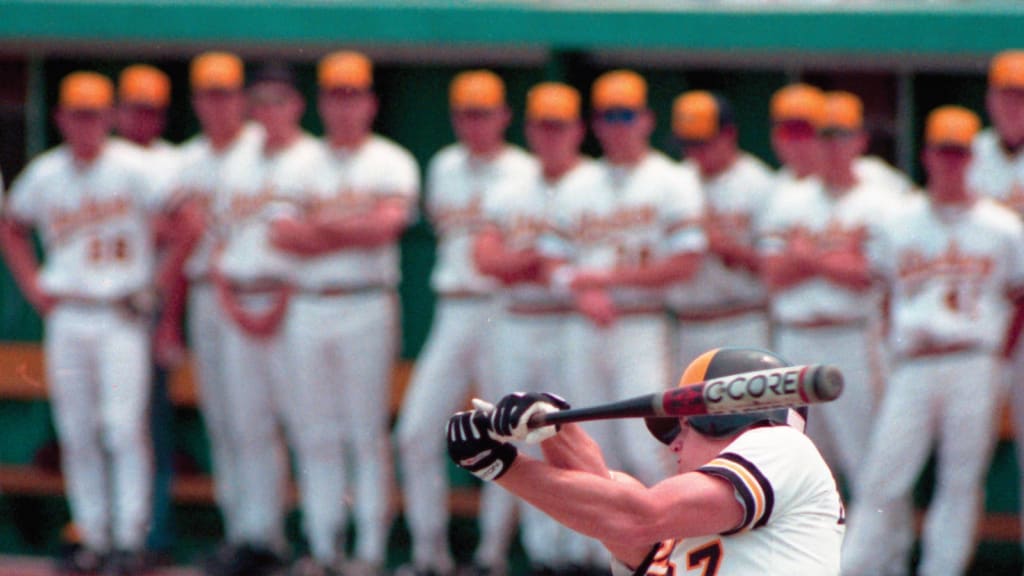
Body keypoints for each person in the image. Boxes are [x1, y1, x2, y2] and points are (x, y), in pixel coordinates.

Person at [446, 347, 845, 575]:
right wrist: (550, 425)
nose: (674, 446)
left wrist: (501, 465)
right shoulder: (685, 526)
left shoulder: (782, 446)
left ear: (725, 418)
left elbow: (636, 516)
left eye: (683, 428)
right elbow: (604, 502)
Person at [0, 71, 179, 576]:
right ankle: (94, 537)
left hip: (120, 310)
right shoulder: (46, 172)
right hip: (69, 310)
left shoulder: (135, 167)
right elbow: (12, 226)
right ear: (60, 119)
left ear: (110, 118)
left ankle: (130, 539)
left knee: (122, 428)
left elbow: (186, 223)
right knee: (76, 430)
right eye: (77, 115)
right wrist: (33, 285)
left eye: (95, 115)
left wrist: (157, 284)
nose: (86, 126)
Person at [842, 106, 1024, 576]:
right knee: (883, 476)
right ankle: (856, 569)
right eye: (943, 152)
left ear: (971, 158)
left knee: (961, 482)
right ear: (926, 155)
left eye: (959, 153)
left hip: (975, 359)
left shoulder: (1003, 227)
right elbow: (879, 291)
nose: (951, 162)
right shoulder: (898, 220)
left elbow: (1018, 296)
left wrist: (999, 357)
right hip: (915, 361)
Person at [270, 50, 420, 576]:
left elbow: (386, 227)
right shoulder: (298, 161)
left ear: (371, 103)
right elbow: (281, 235)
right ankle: (323, 546)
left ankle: (369, 552)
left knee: (365, 431)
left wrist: (321, 231)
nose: (344, 105)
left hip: (366, 300)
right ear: (322, 102)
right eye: (336, 94)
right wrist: (349, 227)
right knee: (315, 432)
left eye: (353, 94)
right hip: (309, 305)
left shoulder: (391, 159)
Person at [394, 69, 534, 576]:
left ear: (504, 115)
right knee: (414, 432)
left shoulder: (524, 170)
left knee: (504, 432)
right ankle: (429, 552)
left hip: (501, 308)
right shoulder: (444, 167)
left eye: (484, 113)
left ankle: (490, 555)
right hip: (453, 304)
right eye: (465, 113)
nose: (474, 124)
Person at [544, 69, 705, 491]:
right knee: (591, 445)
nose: (617, 126)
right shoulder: (577, 183)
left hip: (642, 322)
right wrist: (579, 294)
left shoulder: (673, 179)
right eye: (608, 116)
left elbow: (687, 261)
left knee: (648, 442)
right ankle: (602, 557)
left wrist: (604, 279)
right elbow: (549, 261)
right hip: (585, 324)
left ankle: (666, 550)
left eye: (626, 115)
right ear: (595, 124)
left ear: (646, 119)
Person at [472, 81, 605, 576]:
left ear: (577, 129)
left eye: (560, 126)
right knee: (516, 431)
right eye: (542, 126)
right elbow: (485, 258)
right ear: (528, 129)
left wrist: (526, 262)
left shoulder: (593, 181)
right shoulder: (511, 186)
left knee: (570, 436)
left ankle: (586, 551)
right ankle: (545, 552)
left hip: (569, 323)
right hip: (518, 321)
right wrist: (536, 262)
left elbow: (558, 263)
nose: (550, 136)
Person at [205, 61, 322, 576]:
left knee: (303, 426)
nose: (269, 110)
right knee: (247, 427)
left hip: (293, 304)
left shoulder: (314, 159)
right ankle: (259, 537)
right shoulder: (237, 162)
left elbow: (315, 245)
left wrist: (281, 301)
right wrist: (229, 302)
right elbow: (218, 242)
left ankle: (315, 542)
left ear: (296, 104)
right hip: (238, 303)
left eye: (279, 99)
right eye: (262, 100)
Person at [759, 87, 893, 504]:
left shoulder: (880, 199)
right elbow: (772, 273)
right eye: (825, 135)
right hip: (795, 336)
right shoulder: (789, 196)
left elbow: (866, 275)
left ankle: (881, 565)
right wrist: (833, 260)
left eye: (842, 135)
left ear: (861, 140)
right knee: (803, 459)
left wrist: (807, 257)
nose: (833, 145)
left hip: (852, 337)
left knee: (867, 460)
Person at [161, 50, 264, 571]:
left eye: (226, 92)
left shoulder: (262, 151)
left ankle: (262, 535)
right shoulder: (187, 160)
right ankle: (237, 531)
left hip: (252, 296)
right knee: (222, 420)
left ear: (241, 98)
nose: (217, 104)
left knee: (253, 419)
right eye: (208, 93)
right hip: (205, 292)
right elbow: (170, 241)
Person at [115, 62, 180, 562]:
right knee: (105, 427)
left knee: (148, 425)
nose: (142, 119)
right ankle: (107, 531)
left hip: (147, 307)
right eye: (134, 107)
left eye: (151, 109)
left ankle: (150, 532)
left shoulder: (170, 165)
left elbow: (180, 242)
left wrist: (168, 317)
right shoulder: (99, 159)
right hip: (100, 310)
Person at [666, 90, 774, 368]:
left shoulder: (759, 183)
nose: (695, 153)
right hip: (687, 322)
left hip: (742, 320)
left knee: (748, 410)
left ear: (728, 134)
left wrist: (729, 249)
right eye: (688, 145)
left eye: (703, 143)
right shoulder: (677, 181)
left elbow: (775, 266)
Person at [967, 50, 1024, 557]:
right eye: (1007, 95)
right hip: (983, 318)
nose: (1014, 105)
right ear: (991, 99)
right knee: (965, 457)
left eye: (1021, 96)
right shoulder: (972, 154)